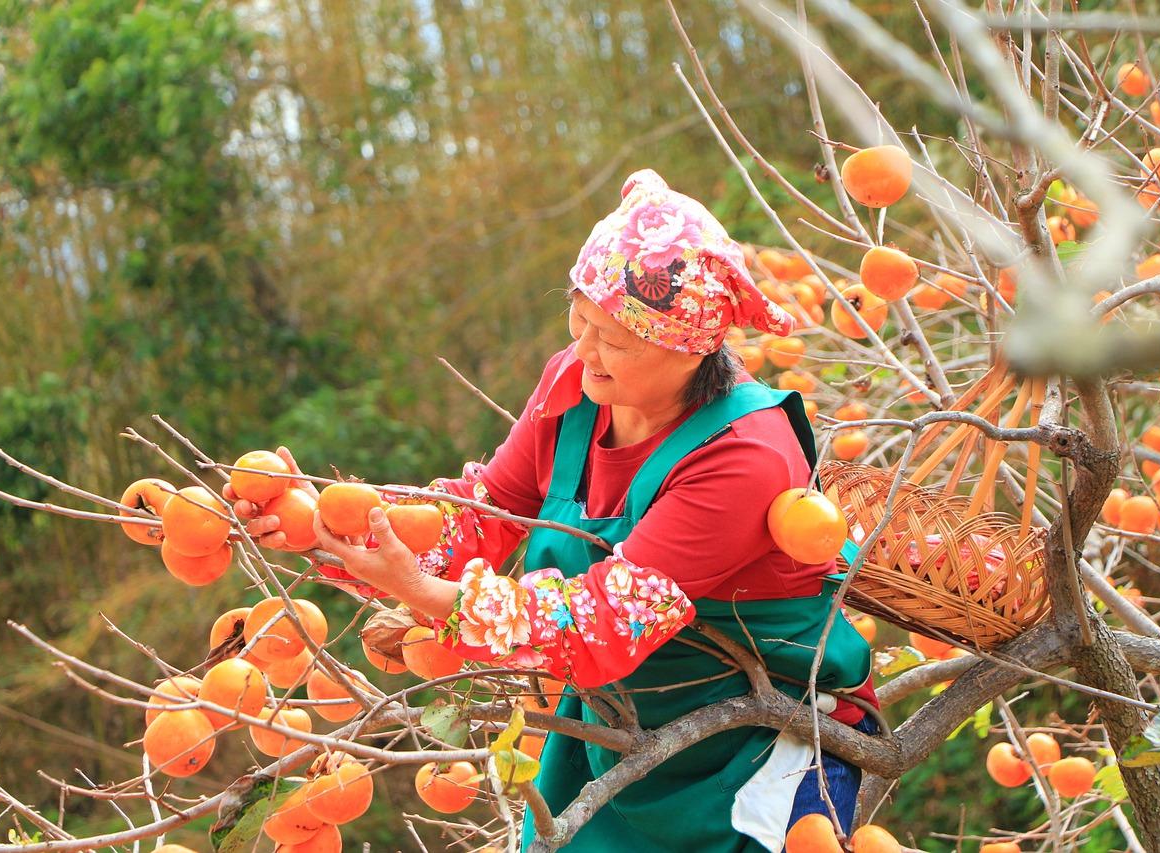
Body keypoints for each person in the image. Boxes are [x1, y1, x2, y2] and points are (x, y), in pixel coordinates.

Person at [235, 169, 878, 852]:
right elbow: (481, 515)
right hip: (626, 739)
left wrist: (421, 592)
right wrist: (335, 531)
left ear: (689, 347)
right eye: (579, 319)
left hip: (765, 745)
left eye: (614, 338)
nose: (585, 351)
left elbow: (598, 627)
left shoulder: (742, 455)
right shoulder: (573, 387)